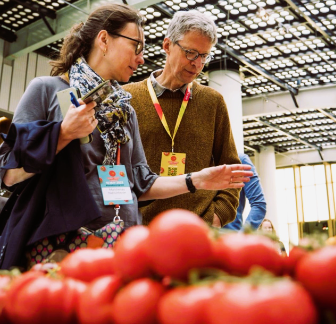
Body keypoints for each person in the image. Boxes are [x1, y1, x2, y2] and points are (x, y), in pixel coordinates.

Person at [0, 4, 252, 269]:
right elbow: (10, 174)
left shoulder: (123, 109)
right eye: (136, 46)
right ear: (104, 40)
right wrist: (63, 134)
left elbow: (141, 184)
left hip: (121, 245)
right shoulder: (47, 91)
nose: (141, 58)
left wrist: (196, 180)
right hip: (63, 248)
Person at [123, 10, 240, 228]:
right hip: (140, 231)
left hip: (199, 230)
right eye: (191, 53)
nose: (197, 64)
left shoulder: (212, 102)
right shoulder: (127, 98)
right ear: (167, 45)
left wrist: (216, 216)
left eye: (204, 56)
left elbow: (231, 168)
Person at [223, 153, 266, 231]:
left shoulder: (240, 160)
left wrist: (243, 235)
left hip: (230, 237)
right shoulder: (198, 164)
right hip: (199, 237)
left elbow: (259, 204)